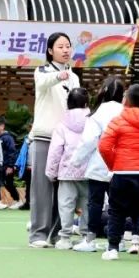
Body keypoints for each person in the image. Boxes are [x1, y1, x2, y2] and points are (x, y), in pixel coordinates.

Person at [29, 32, 81, 248]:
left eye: (68, 46)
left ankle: (59, 233)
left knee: (65, 189)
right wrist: (58, 77)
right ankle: (38, 234)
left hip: (67, 140)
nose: (65, 50)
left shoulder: (74, 76)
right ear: (50, 51)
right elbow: (42, 84)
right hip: (44, 137)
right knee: (42, 188)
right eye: (60, 47)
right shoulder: (42, 71)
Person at [98, 84, 139, 261]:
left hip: (123, 171)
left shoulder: (118, 121)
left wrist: (113, 164)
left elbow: (104, 146)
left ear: (127, 100)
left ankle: (113, 249)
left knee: (116, 211)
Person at [68, 76, 125, 252]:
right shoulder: (126, 111)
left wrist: (76, 161)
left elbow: (88, 141)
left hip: (100, 164)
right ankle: (119, 240)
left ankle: (90, 240)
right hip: (122, 165)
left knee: (95, 203)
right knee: (118, 205)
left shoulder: (98, 113)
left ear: (103, 91)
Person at [45, 87, 90, 249]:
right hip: (88, 171)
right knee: (87, 204)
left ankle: (65, 237)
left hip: (66, 171)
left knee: (66, 204)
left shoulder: (62, 125)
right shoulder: (92, 121)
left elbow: (55, 150)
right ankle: (86, 237)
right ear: (86, 103)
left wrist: (51, 172)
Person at [0, 116, 22, 209]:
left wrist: (10, 166)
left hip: (7, 166)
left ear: (2, 126)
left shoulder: (7, 138)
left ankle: (17, 200)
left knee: (9, 183)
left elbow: (12, 151)